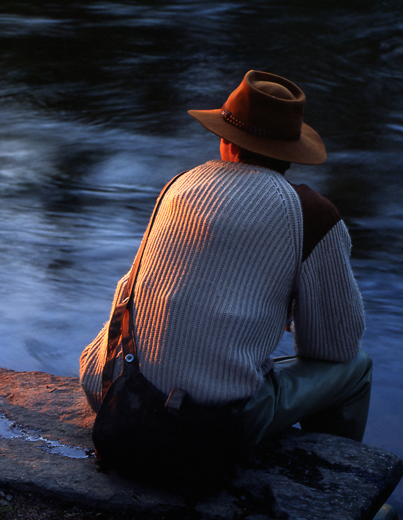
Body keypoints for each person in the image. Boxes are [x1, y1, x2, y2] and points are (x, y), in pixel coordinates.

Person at [79, 70, 372, 451]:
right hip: (203, 425)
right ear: (292, 152)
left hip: (112, 392)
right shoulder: (312, 214)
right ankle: (336, 474)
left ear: (226, 141)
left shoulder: (180, 184)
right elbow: (334, 348)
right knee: (357, 367)